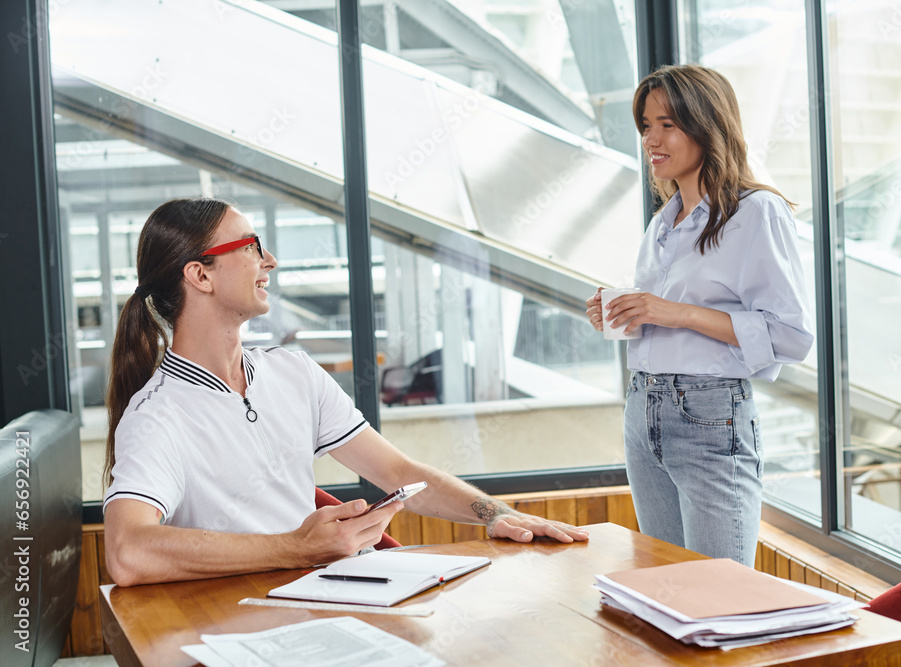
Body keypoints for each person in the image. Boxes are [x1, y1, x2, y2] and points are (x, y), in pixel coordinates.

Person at [103, 197, 588, 587]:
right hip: (236, 616)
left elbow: (399, 473)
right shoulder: (157, 416)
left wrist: (498, 515)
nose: (269, 259)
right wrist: (295, 546)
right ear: (200, 275)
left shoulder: (293, 373)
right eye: (251, 246)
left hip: (328, 594)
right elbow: (128, 553)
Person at [585, 65, 813, 567]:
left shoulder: (756, 212)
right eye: (646, 125)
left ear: (707, 125)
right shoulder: (663, 224)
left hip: (708, 412)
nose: (652, 138)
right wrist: (626, 313)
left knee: (719, 595)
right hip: (643, 408)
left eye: (668, 124)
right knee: (667, 585)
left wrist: (676, 312)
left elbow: (792, 336)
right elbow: (667, 321)